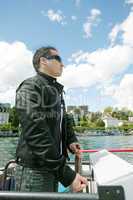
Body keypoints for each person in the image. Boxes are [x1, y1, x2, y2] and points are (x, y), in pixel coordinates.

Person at [15, 46, 87, 192]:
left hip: (53, 169)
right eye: (58, 59)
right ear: (43, 61)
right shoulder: (30, 87)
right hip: (35, 171)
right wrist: (66, 174)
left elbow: (64, 120)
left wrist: (71, 141)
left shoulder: (56, 91)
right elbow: (35, 133)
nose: (63, 64)